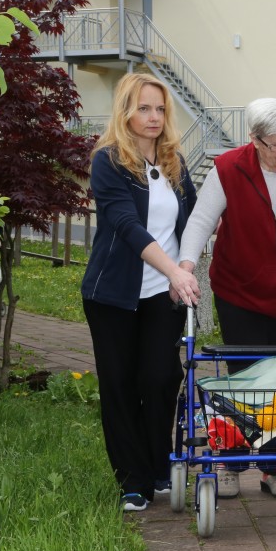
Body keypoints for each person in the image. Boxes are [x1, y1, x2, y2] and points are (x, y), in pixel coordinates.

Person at [178, 98, 276, 500]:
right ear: (255, 140)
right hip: (240, 292)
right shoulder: (228, 169)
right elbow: (200, 222)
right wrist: (185, 266)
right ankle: (231, 464)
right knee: (244, 380)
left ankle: (274, 468)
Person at [81, 73, 200, 512]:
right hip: (113, 294)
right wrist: (174, 272)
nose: (154, 117)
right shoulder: (108, 161)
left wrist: (185, 268)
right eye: (144, 108)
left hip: (164, 295)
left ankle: (159, 465)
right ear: (126, 111)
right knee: (120, 384)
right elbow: (127, 226)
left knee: (161, 377)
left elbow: (193, 221)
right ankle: (132, 480)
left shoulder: (174, 162)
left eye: (160, 109)